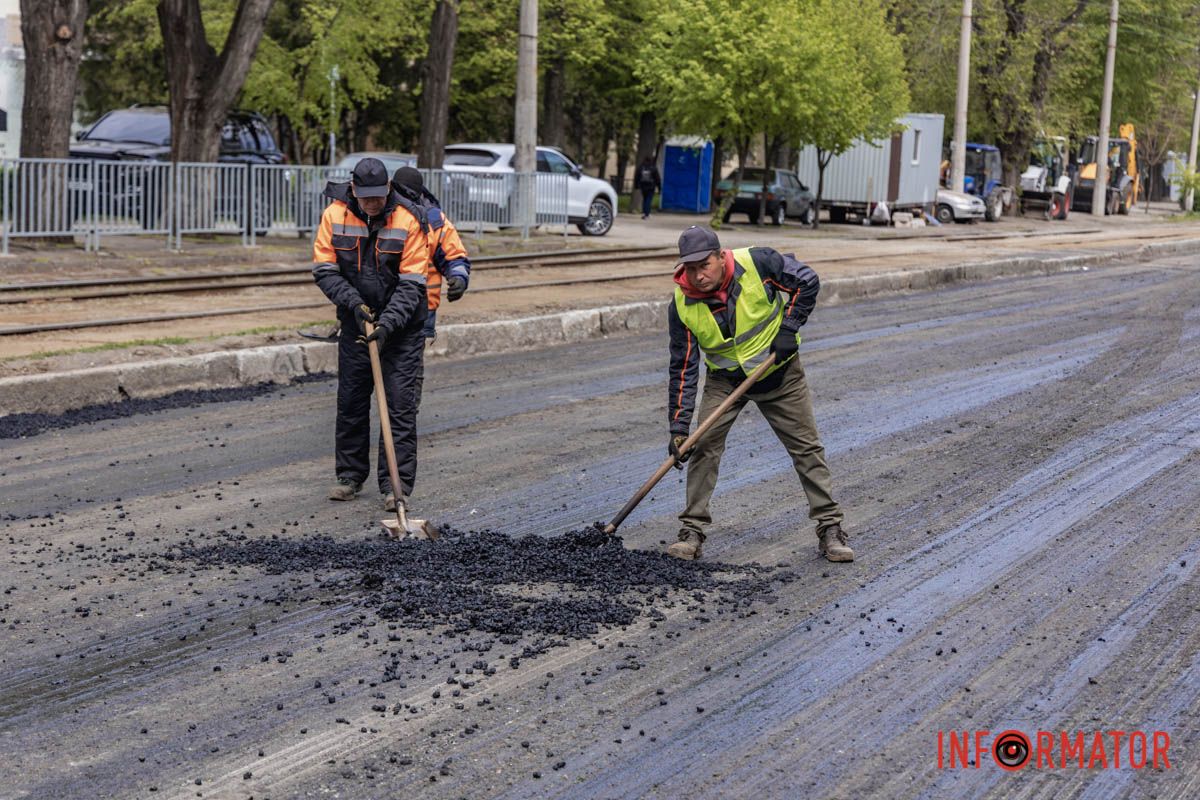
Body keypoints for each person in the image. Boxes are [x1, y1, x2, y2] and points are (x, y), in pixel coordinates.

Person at [665, 225, 852, 563]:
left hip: (779, 375)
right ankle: (691, 531)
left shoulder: (759, 262)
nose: (698, 275)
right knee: (702, 447)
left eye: (704, 265)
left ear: (721, 257)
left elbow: (807, 281)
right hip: (726, 383)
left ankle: (830, 528)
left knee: (806, 449)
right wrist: (679, 429)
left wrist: (789, 327)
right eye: (690, 268)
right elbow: (683, 367)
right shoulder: (682, 302)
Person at [312, 157, 430, 513]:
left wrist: (387, 325)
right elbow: (324, 270)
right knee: (350, 400)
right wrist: (354, 305)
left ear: (388, 189)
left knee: (398, 406)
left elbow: (412, 284)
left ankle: (396, 486)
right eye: (366, 198)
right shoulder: (334, 215)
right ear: (354, 190)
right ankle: (349, 475)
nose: (373, 203)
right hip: (356, 321)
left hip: (403, 327)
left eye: (378, 197)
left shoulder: (410, 219)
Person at [390, 166, 472, 342]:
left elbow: (455, 257)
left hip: (421, 309)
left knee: (406, 365)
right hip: (393, 307)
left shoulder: (434, 221)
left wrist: (459, 278)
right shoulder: (384, 214)